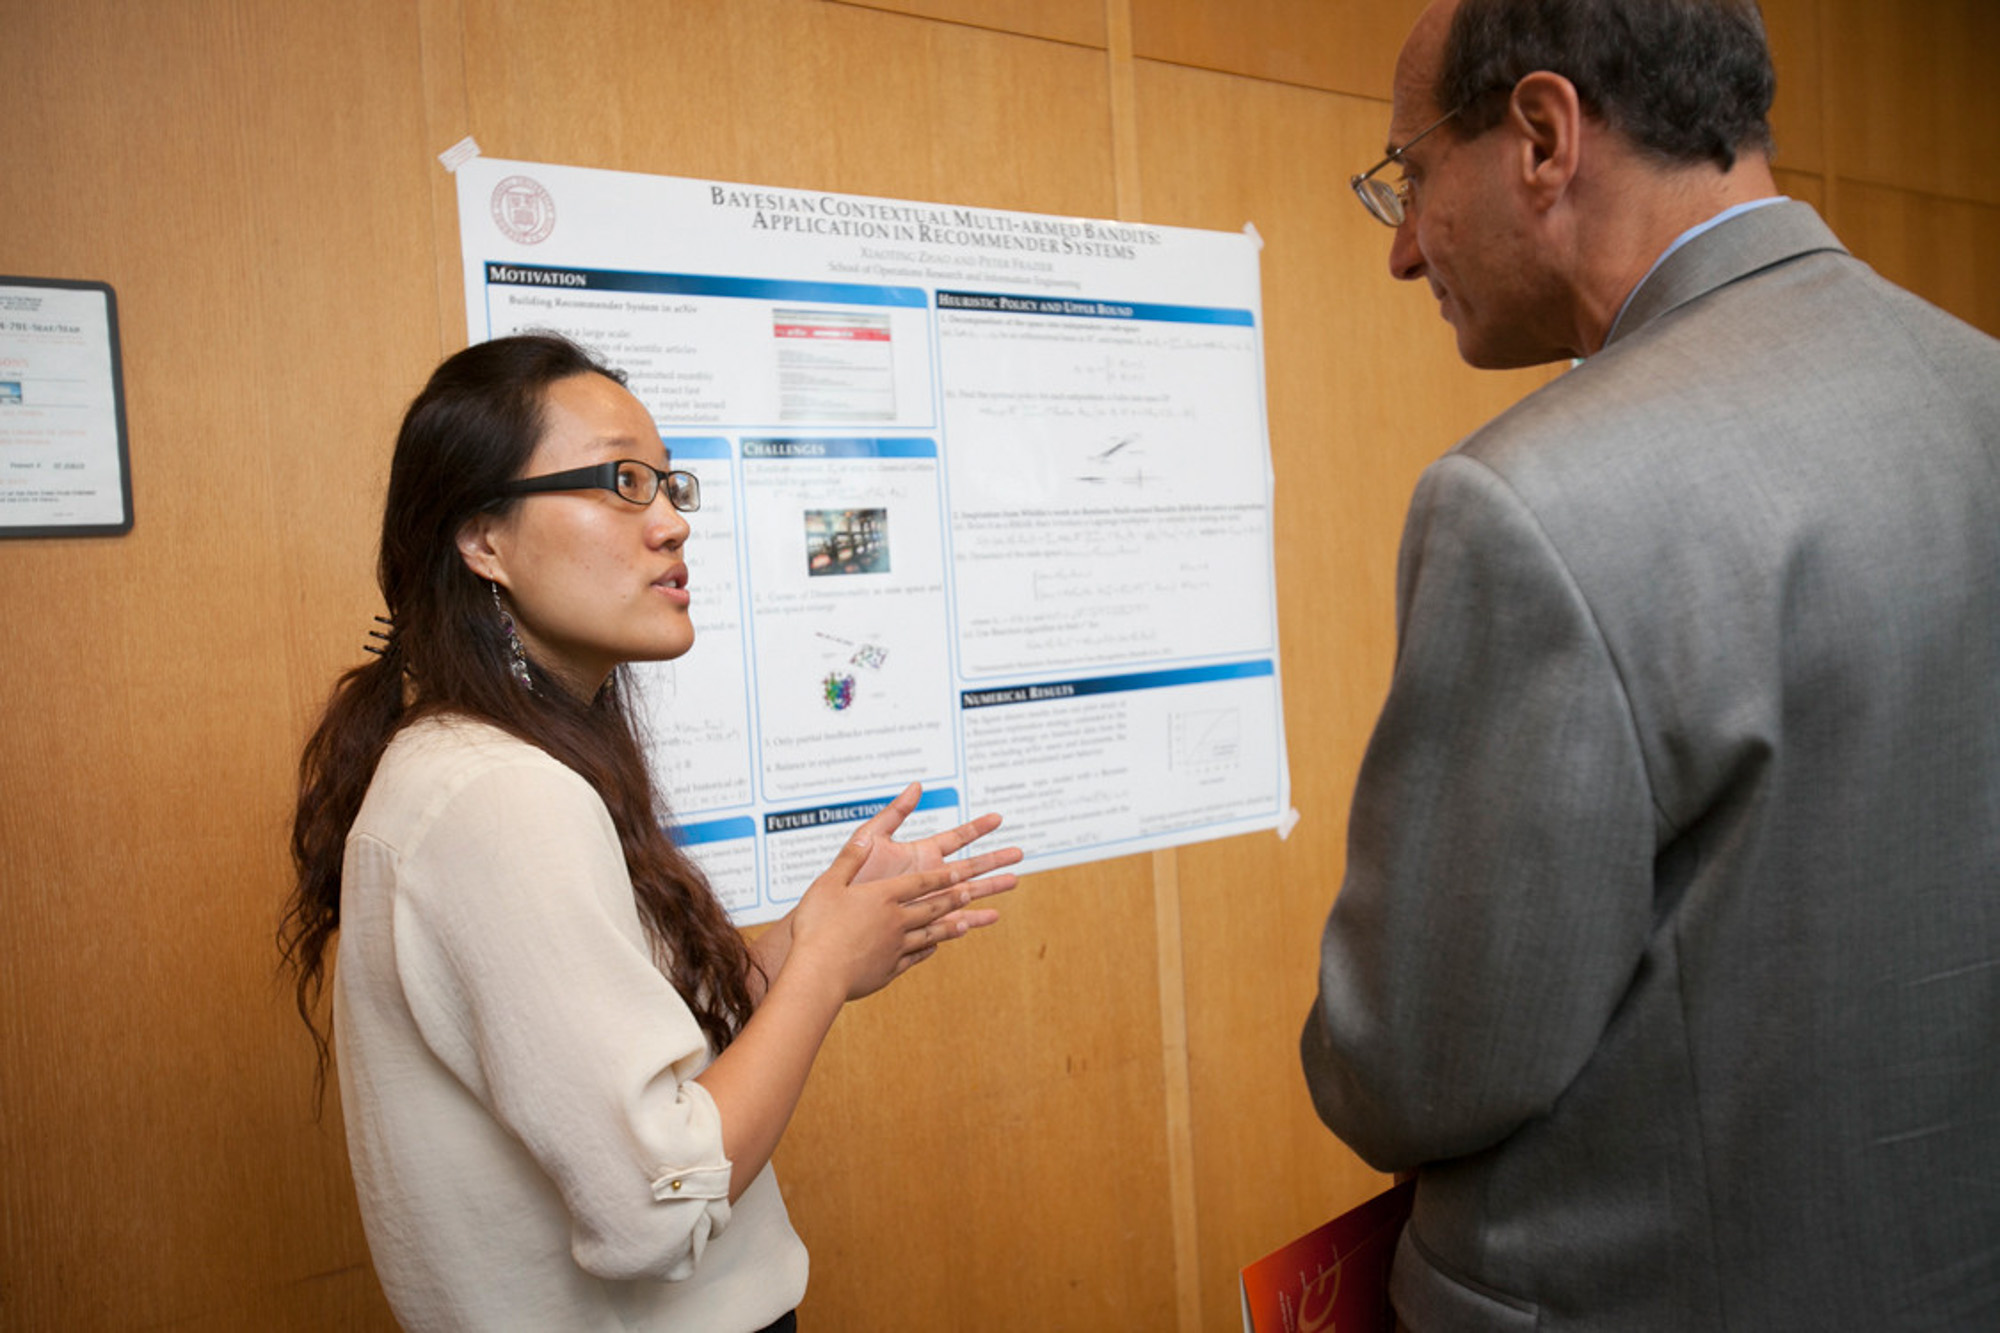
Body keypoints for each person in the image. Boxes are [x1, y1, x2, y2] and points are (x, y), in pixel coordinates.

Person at [1299, 1, 2000, 1328]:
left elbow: (1413, 1068)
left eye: (1410, 177)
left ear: (1544, 138)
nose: (1401, 251)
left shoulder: (1528, 504)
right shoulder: (1983, 390)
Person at [280, 333, 1020, 1332]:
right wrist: (819, 977)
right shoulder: (497, 798)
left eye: (669, 486)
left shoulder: (484, 765)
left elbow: (613, 1073)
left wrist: (811, 937)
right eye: (622, 482)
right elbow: (654, 1203)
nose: (671, 523)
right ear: (482, 538)